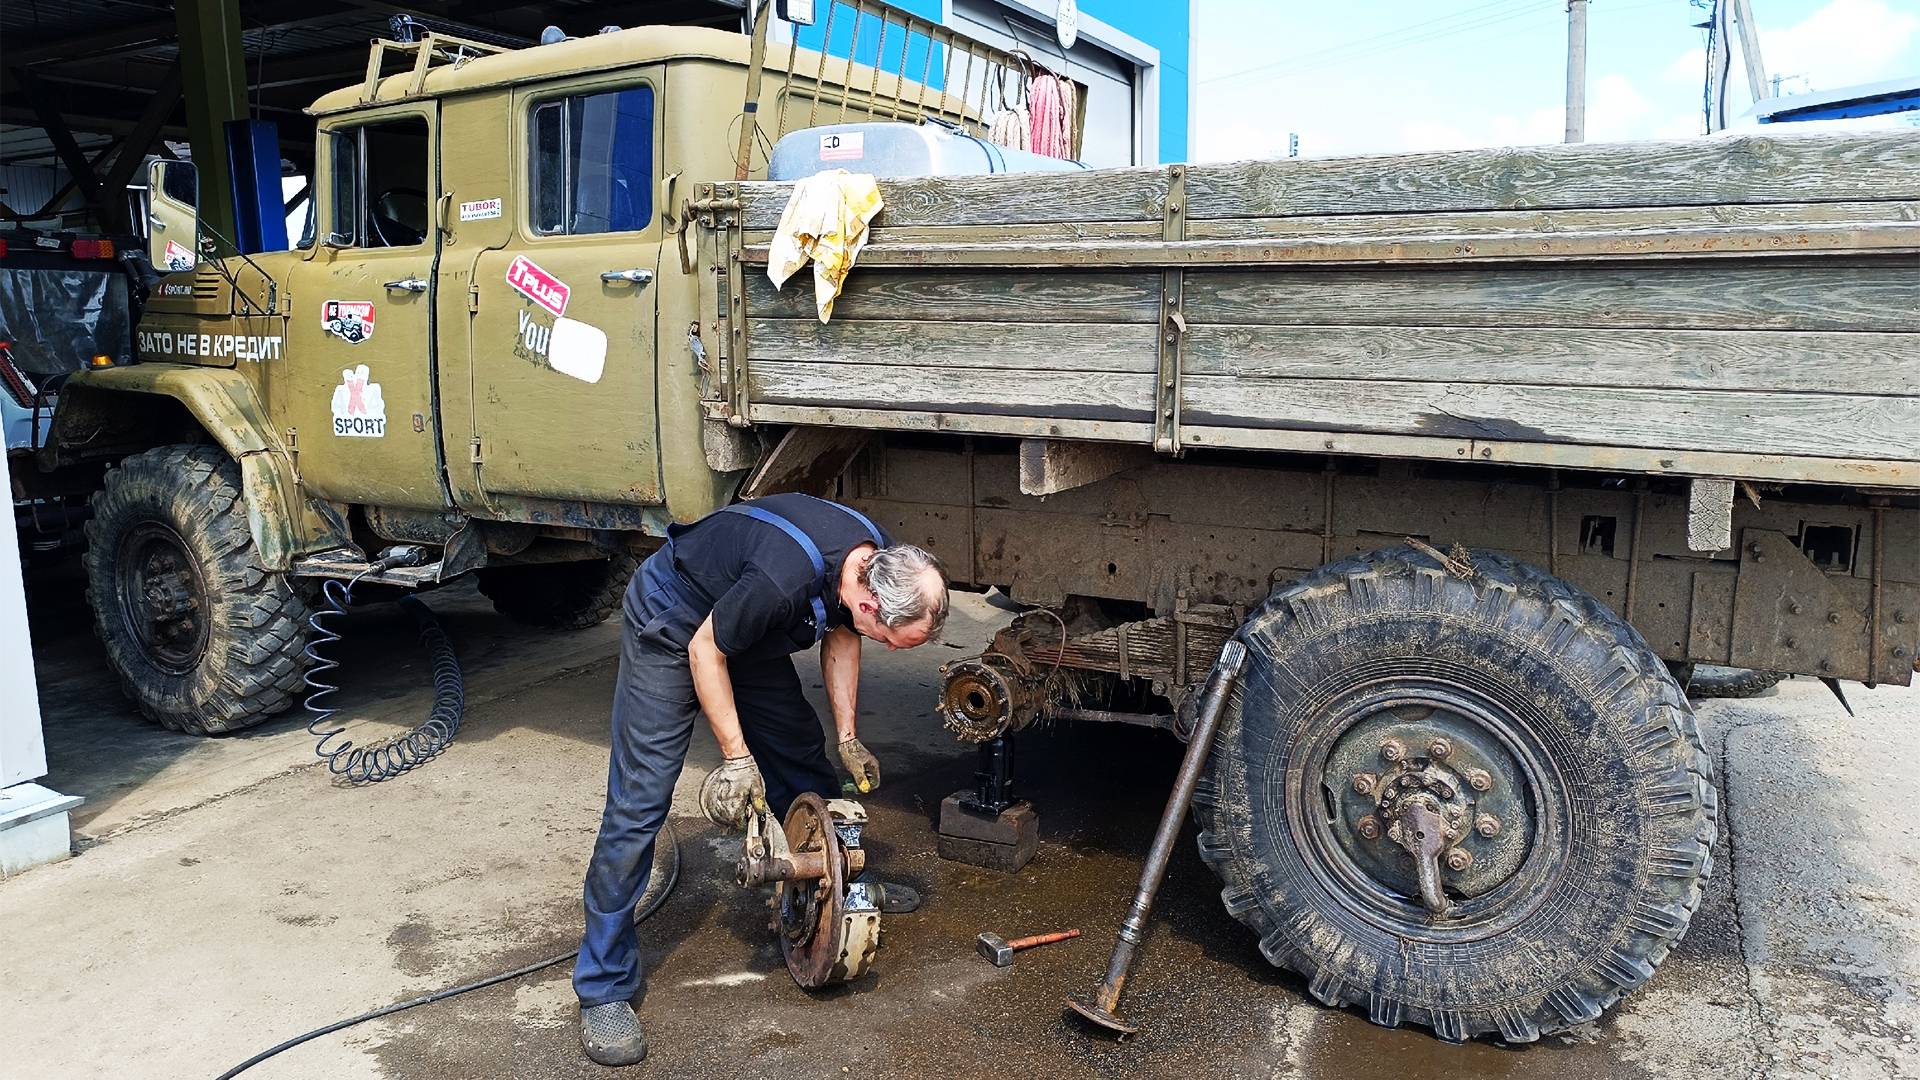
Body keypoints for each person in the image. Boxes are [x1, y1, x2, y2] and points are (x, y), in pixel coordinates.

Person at [574, 492, 950, 1066]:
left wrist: (848, 736)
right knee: (640, 803)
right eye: (892, 641)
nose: (886, 647)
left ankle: (839, 887)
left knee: (804, 762)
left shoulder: (870, 555)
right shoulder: (785, 576)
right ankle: (602, 985)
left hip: (740, 626)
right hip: (677, 620)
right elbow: (706, 649)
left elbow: (844, 634)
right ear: (874, 604)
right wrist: (736, 758)